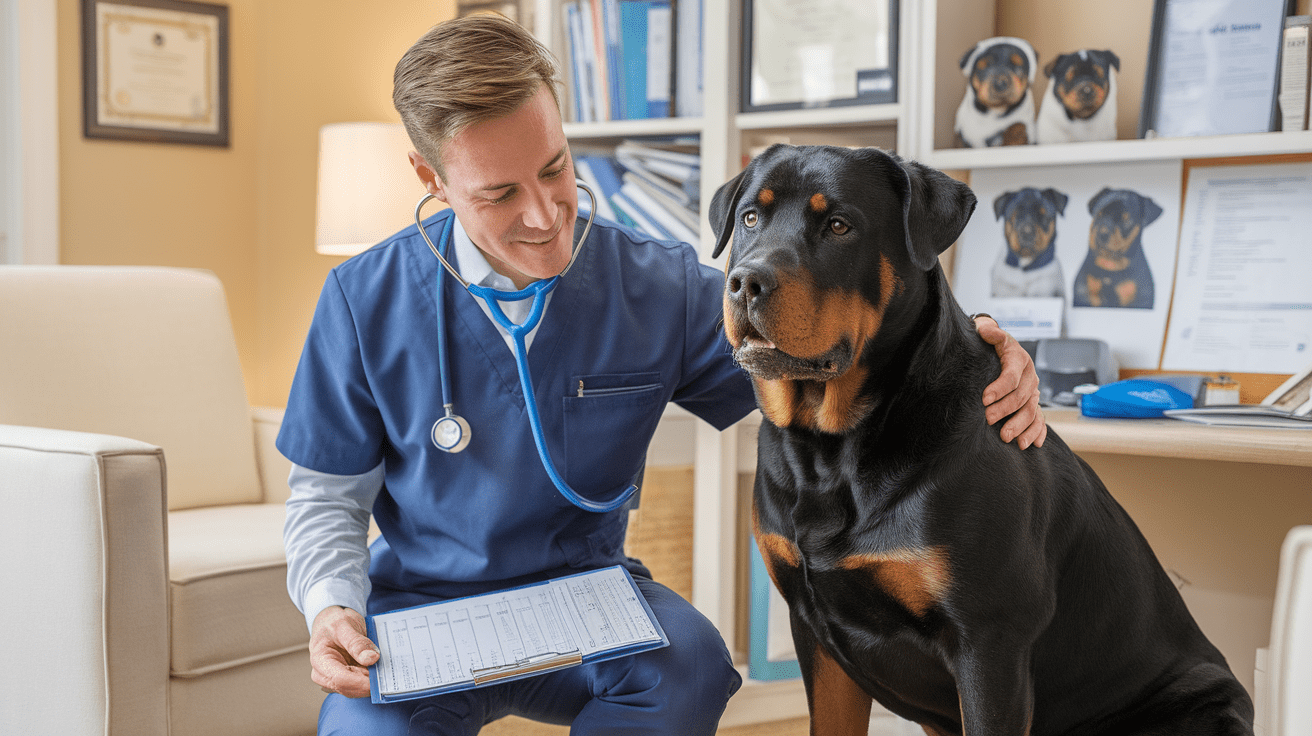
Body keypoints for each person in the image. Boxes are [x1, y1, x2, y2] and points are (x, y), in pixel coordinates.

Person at [277, 13, 1048, 736]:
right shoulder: (361, 301)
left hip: (588, 602)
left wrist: (977, 347)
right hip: (426, 613)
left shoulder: (655, 283)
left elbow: (825, 353)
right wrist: (330, 608)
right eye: (500, 193)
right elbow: (326, 496)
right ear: (431, 177)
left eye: (556, 170)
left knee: (689, 668)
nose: (546, 215)